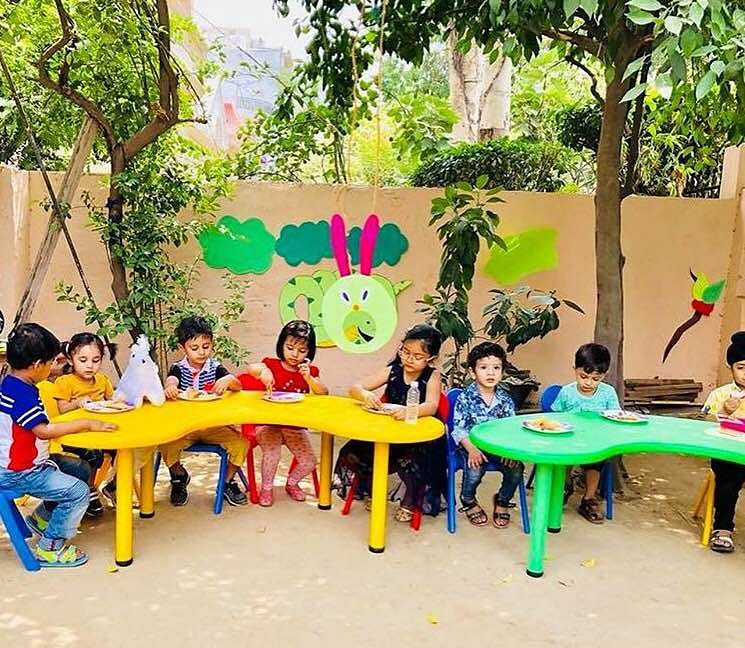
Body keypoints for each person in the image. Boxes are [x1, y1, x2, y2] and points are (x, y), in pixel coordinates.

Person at [0, 323, 116, 568]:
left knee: (80, 469)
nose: (56, 366)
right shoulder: (23, 394)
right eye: (53, 361)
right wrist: (86, 423)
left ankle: (42, 519)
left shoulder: (12, 383)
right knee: (78, 492)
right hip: (20, 472)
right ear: (37, 365)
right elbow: (43, 431)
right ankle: (50, 547)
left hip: (27, 463)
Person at [335, 324, 446, 522]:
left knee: (411, 463)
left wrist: (408, 411)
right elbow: (355, 387)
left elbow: (431, 405)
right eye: (405, 352)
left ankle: (409, 502)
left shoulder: (432, 376)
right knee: (352, 451)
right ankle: (372, 492)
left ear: (431, 359)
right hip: (388, 430)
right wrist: (365, 394)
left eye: (417, 356)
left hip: (416, 435)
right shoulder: (393, 371)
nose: (409, 359)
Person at [161, 316, 248, 507]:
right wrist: (170, 387)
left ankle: (226, 482)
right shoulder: (178, 368)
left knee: (241, 444)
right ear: (182, 348)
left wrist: (228, 380)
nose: (201, 352)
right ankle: (178, 475)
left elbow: (237, 385)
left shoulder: (215, 368)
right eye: (195, 348)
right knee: (166, 444)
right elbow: (172, 380)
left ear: (212, 345)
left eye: (206, 346)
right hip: (186, 427)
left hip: (212, 426)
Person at [247, 320, 328, 506]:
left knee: (309, 461)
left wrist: (309, 378)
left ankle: (292, 483)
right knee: (272, 454)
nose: (294, 354)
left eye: (302, 351)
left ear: (309, 352)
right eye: (290, 348)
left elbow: (323, 393)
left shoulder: (309, 371)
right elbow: (252, 369)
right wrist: (263, 371)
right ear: (281, 345)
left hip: (295, 427)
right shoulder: (271, 364)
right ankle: (266, 488)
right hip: (269, 424)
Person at [451, 341, 522, 528]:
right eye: (484, 367)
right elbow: (459, 429)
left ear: (502, 371)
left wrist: (509, 451)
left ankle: (503, 500)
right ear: (473, 372)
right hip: (471, 446)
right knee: (475, 470)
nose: (491, 373)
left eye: (496, 368)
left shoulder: (506, 399)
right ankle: (468, 500)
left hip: (499, 447)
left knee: (516, 468)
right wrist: (472, 449)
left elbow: (511, 429)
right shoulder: (465, 397)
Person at [551, 342, 620, 524]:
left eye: (595, 379)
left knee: (596, 462)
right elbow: (556, 417)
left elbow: (615, 416)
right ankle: (565, 486)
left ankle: (588, 499)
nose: (588, 383)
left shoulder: (608, 393)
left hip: (595, 441)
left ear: (604, 375)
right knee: (563, 457)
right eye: (583, 376)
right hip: (569, 439)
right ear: (575, 369)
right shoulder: (567, 392)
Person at [52, 333, 116, 515]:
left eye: (96, 360)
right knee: (93, 454)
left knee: (125, 449)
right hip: (73, 435)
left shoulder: (102, 380)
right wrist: (77, 402)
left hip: (99, 431)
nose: (90, 365)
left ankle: (115, 485)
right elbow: (62, 409)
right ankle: (89, 489)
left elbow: (112, 401)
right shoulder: (65, 382)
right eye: (83, 360)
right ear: (71, 360)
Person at [702, 331, 745, 553]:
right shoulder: (721, 394)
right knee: (728, 480)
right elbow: (705, 424)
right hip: (726, 452)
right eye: (741, 367)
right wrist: (724, 411)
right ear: (731, 367)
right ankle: (723, 528)